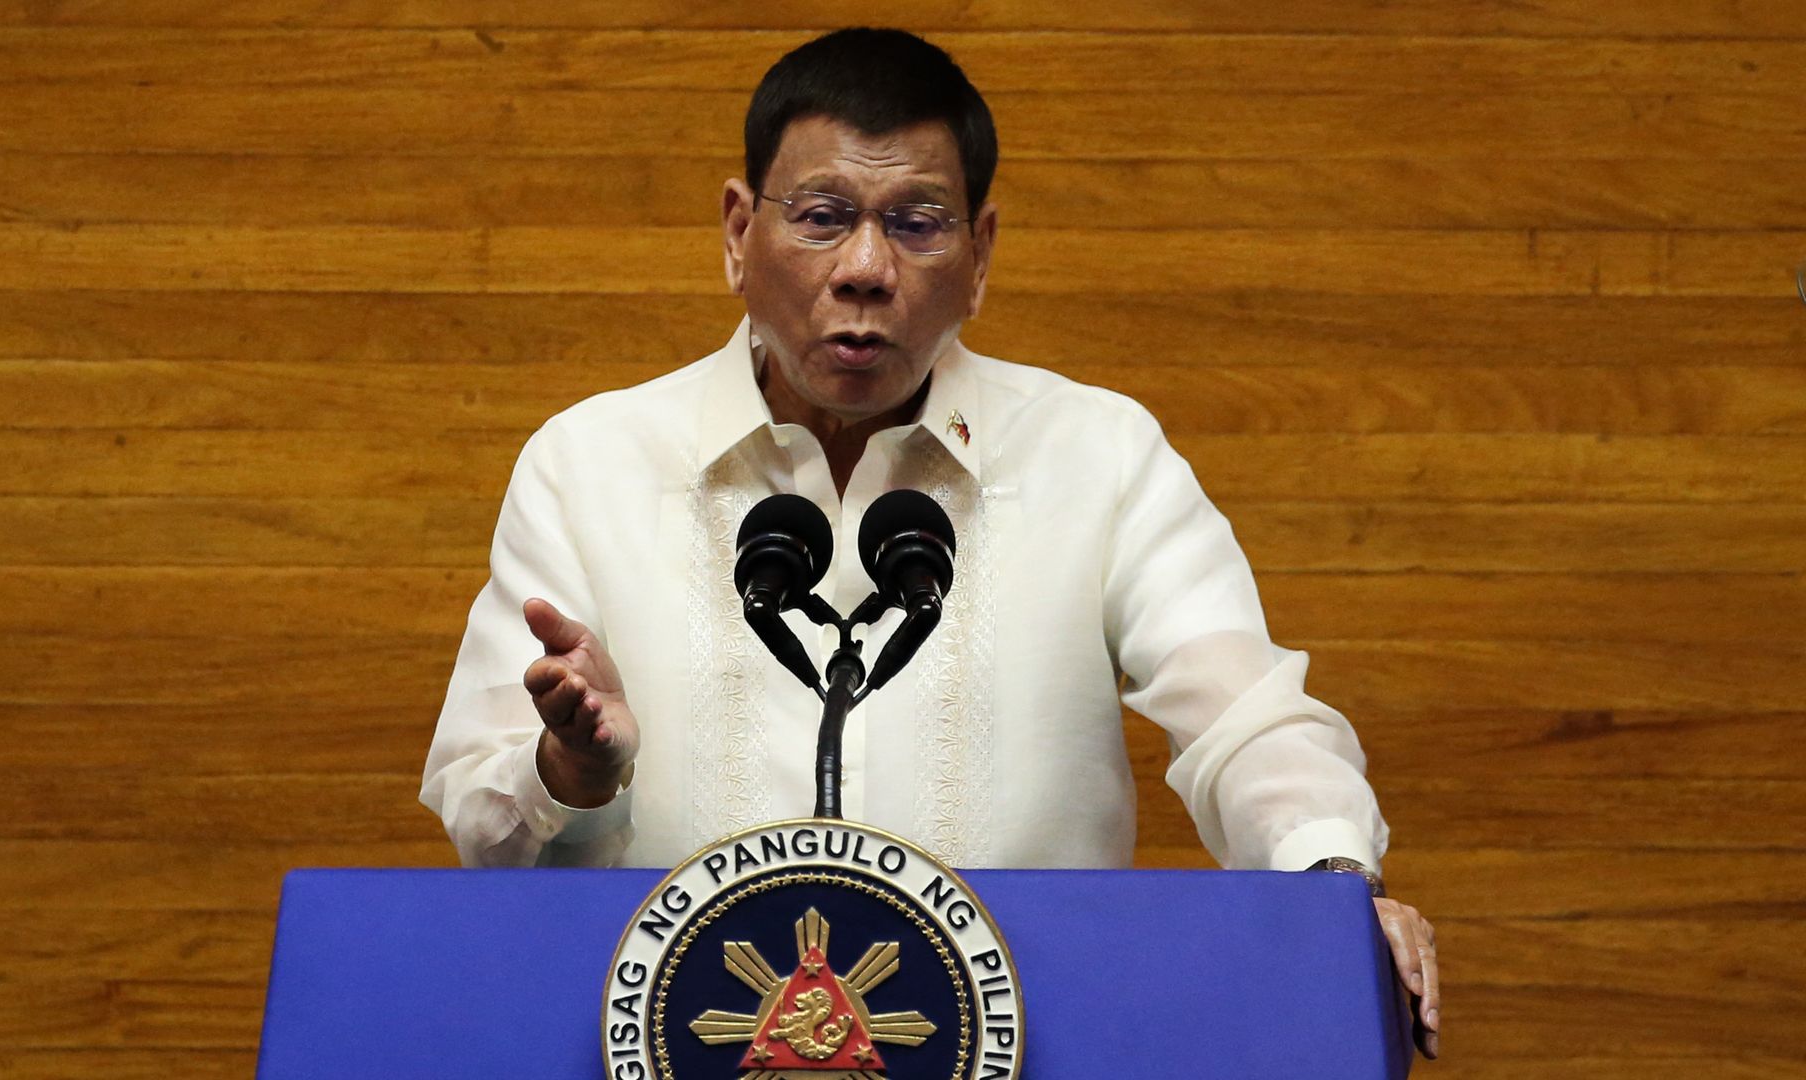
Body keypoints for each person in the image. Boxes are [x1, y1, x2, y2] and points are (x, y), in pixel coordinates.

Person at [419, 27, 1439, 1057]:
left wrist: (1332, 884)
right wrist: (570, 770)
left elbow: (1247, 720)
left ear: (981, 252)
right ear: (738, 232)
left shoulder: (1096, 454)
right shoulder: (589, 462)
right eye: (821, 218)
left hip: (1038, 1047)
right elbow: (482, 825)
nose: (866, 269)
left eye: (917, 224)